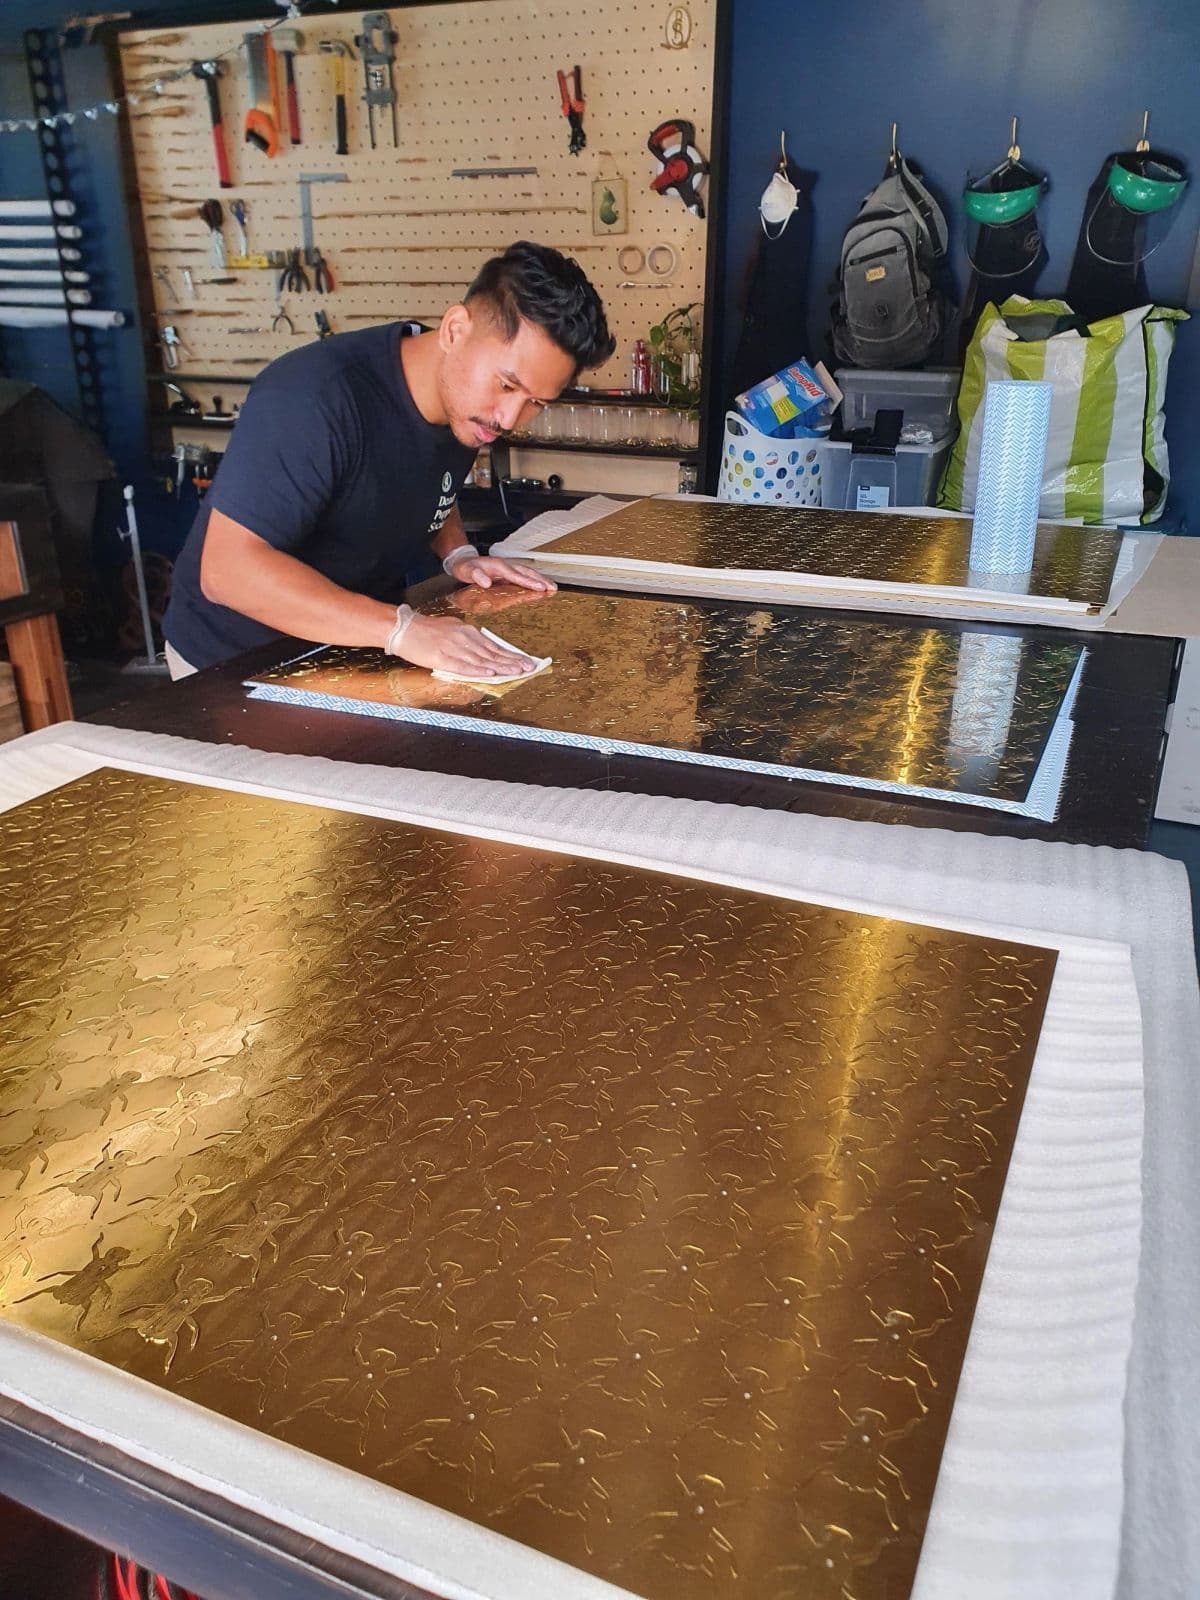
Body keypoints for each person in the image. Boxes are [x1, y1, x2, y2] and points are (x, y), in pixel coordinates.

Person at [162, 241, 614, 680]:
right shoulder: (313, 399)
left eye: (536, 401)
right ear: (456, 330)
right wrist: (400, 630)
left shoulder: (466, 405)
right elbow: (226, 572)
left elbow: (427, 473)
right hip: (232, 659)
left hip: (347, 644)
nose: (510, 417)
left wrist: (456, 554)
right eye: (507, 385)